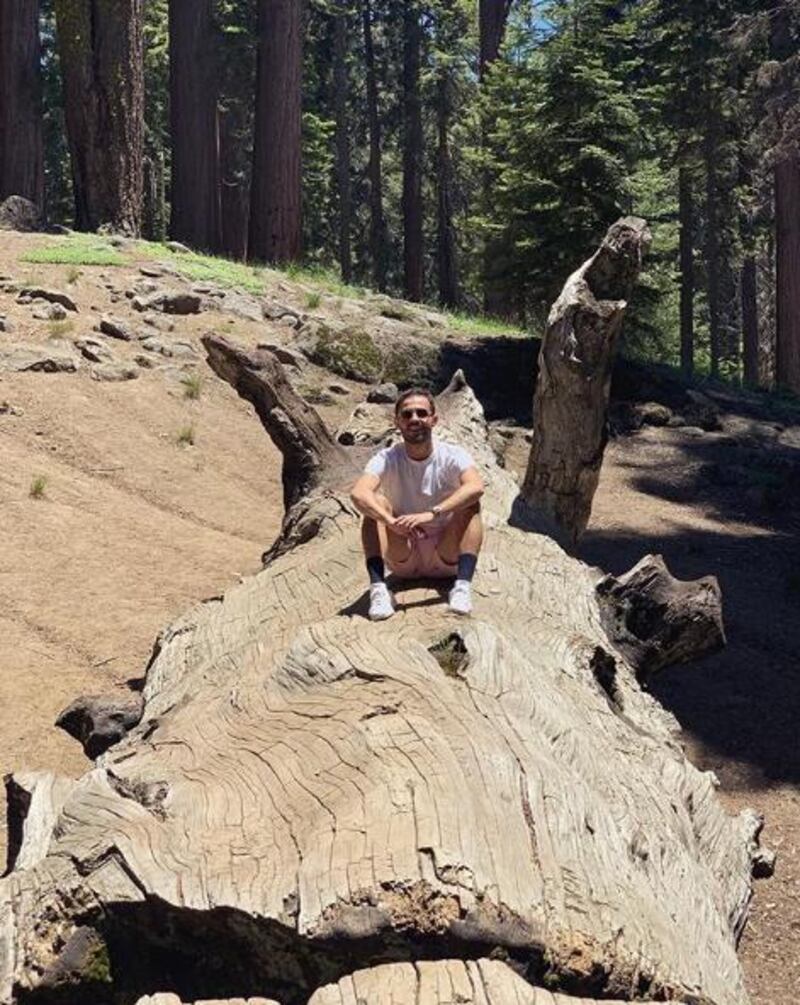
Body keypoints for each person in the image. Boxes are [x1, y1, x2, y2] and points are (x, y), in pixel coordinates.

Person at [350, 388, 484, 620]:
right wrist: (391, 522)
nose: (414, 419)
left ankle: (461, 587)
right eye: (407, 414)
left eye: (421, 413)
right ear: (397, 422)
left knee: (471, 505)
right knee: (375, 503)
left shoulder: (453, 455)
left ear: (433, 420)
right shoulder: (387, 457)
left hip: (446, 554)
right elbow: (359, 493)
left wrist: (433, 513)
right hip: (404, 553)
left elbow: (475, 487)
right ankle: (379, 590)